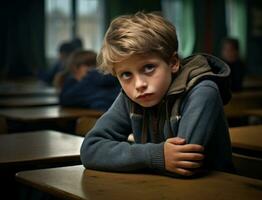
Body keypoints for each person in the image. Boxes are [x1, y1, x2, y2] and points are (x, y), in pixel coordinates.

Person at [80, 12, 234, 177]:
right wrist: (155, 155)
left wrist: (127, 158)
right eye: (126, 74)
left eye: (148, 67)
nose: (139, 85)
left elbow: (184, 164)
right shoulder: (130, 98)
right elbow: (90, 150)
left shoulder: (203, 91)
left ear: (173, 63)